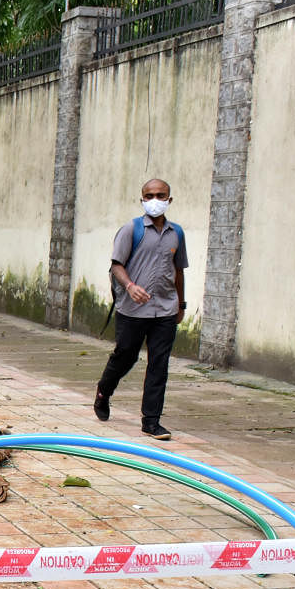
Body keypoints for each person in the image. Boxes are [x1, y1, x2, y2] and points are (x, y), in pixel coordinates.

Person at [93, 178, 188, 440]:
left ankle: (151, 421)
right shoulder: (131, 229)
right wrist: (130, 286)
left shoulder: (176, 233)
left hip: (165, 310)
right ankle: (104, 390)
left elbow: (178, 271)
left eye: (160, 195)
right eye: (149, 195)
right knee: (126, 356)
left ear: (169, 199)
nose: (155, 200)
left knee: (159, 364)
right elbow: (116, 265)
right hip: (133, 310)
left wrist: (181, 303)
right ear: (142, 199)